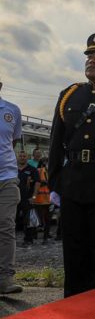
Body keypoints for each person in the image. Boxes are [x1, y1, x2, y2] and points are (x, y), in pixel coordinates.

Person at [48, 33, 95, 298]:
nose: (91, 59)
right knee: (73, 247)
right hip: (72, 182)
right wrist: (55, 183)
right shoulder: (70, 94)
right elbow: (56, 142)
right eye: (89, 55)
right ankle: (73, 301)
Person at [0, 79, 23, 294]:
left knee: (6, 226)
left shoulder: (12, 111)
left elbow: (11, 142)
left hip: (6, 177)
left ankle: (5, 278)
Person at [17, 150, 39, 245]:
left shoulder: (32, 169)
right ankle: (10, 240)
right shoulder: (13, 169)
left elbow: (37, 183)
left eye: (24, 156)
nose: (22, 157)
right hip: (14, 198)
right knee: (13, 219)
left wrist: (34, 196)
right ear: (18, 158)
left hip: (28, 198)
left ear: (27, 158)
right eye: (20, 156)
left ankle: (28, 239)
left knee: (28, 219)